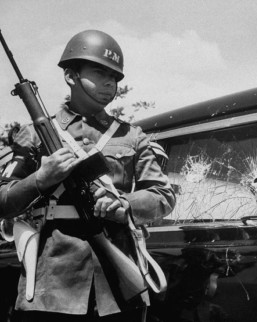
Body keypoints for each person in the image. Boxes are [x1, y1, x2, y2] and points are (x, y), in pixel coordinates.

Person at [0, 30, 176, 321]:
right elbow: (3, 200)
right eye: (100, 72)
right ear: (71, 76)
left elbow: (162, 195)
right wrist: (41, 179)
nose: (110, 83)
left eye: (115, 77)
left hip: (117, 290)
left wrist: (125, 205)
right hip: (53, 288)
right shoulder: (34, 134)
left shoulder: (132, 137)